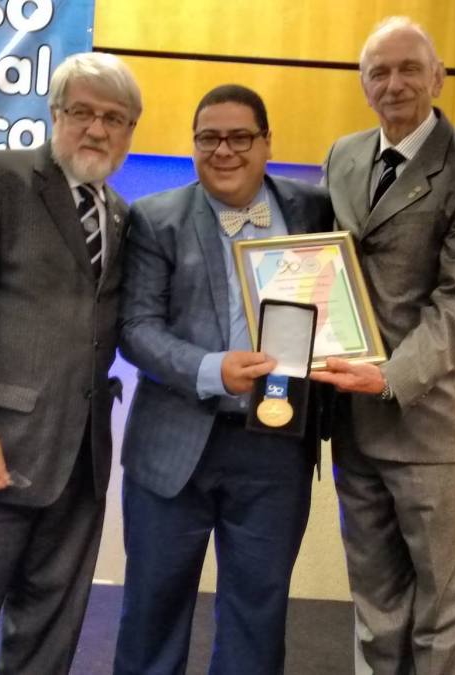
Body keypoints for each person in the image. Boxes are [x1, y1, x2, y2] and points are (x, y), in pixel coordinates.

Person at [0, 52, 141, 674]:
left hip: (79, 467)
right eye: (82, 112)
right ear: (55, 114)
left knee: (46, 650)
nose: (96, 129)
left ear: (130, 131)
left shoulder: (120, 214)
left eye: (113, 118)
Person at [313, 16, 455, 674]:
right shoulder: (343, 155)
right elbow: (324, 263)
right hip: (354, 420)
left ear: (438, 78)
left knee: (444, 604)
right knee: (374, 600)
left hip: (433, 422)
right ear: (363, 85)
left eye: (408, 69)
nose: (393, 83)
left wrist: (392, 376)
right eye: (379, 72)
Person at [112, 84, 334, 675]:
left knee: (258, 614)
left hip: (276, 444)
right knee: (153, 609)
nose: (224, 150)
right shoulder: (154, 217)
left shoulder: (315, 209)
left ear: (267, 143)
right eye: (208, 138)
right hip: (172, 447)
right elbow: (136, 328)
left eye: (240, 137)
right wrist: (212, 370)